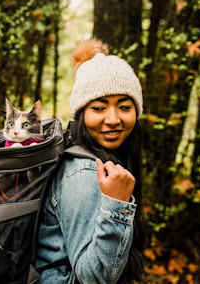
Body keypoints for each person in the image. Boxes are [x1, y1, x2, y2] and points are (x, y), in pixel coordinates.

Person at [35, 38, 144, 283]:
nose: (114, 119)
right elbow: (92, 278)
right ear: (82, 114)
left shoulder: (107, 161)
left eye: (124, 107)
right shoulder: (83, 172)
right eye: (99, 108)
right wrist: (117, 206)